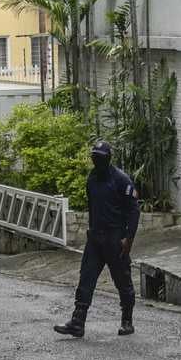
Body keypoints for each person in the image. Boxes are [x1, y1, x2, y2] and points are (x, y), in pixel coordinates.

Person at [55, 141, 140, 338]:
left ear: (108, 158)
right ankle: (77, 322)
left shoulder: (122, 180)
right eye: (94, 156)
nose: (96, 160)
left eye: (100, 157)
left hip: (115, 237)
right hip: (95, 238)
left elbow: (133, 210)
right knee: (86, 278)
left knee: (123, 280)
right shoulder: (92, 178)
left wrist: (129, 238)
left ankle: (127, 321)